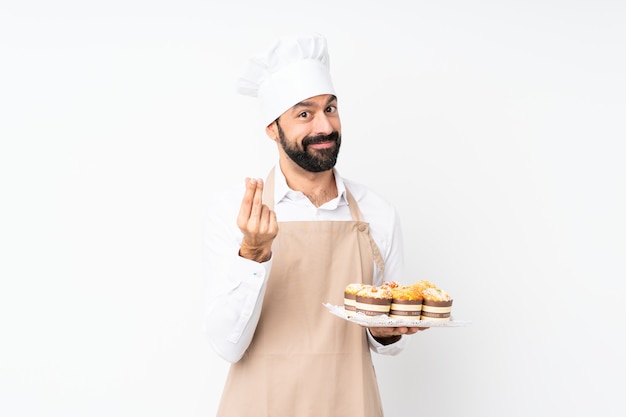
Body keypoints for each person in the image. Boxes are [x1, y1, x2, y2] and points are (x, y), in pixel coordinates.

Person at [203, 32, 427, 417]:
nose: (324, 126)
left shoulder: (378, 212)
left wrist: (387, 332)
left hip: (349, 404)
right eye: (304, 114)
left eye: (331, 109)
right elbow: (227, 345)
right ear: (272, 129)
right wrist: (253, 254)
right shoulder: (235, 213)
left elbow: (389, 336)